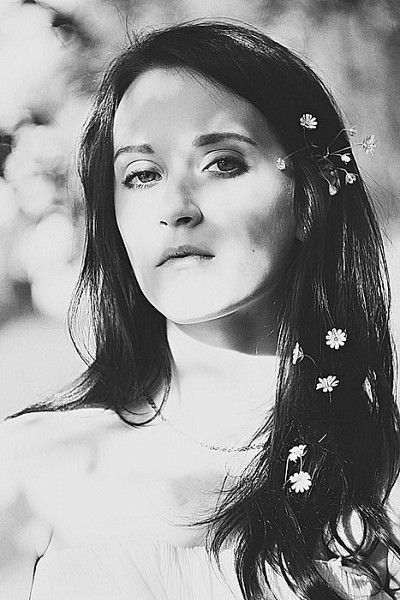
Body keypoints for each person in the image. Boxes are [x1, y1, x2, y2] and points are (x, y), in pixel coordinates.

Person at [1, 20, 399, 600]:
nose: (175, 207)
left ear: (308, 198)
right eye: (142, 175)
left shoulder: (382, 474)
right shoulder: (27, 469)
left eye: (222, 163)